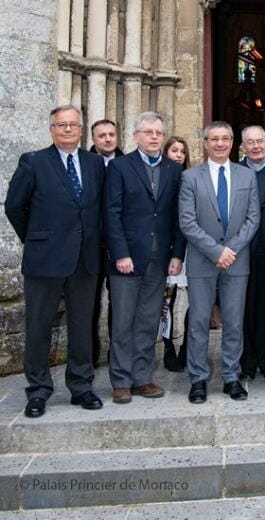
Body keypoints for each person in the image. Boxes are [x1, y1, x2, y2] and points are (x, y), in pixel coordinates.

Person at [5, 104, 105, 418]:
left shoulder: (94, 163)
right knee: (38, 327)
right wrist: (38, 238)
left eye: (73, 125)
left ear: (81, 130)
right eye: (61, 125)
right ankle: (38, 391)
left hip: (84, 260)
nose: (67, 129)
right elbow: (14, 207)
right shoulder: (34, 161)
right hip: (44, 260)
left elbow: (99, 208)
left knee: (81, 326)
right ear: (51, 129)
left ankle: (81, 386)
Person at [105, 112, 185, 404]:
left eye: (159, 133)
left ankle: (142, 377)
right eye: (148, 132)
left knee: (149, 320)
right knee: (123, 321)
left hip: (160, 258)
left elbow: (178, 217)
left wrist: (177, 254)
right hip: (127, 258)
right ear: (136, 135)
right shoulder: (120, 167)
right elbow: (111, 213)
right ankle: (121, 381)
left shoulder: (174, 170)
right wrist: (120, 253)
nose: (154, 137)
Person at [179, 121, 260, 402]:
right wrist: (216, 251)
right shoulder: (190, 178)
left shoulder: (246, 175)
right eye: (214, 139)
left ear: (232, 142)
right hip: (202, 261)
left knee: (234, 322)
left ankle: (231, 377)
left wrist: (231, 249)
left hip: (237, 261)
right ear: (205, 143)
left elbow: (253, 219)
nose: (220, 144)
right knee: (200, 321)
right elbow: (187, 222)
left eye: (225, 138)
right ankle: (198, 379)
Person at [239, 124, 265, 380]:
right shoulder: (235, 171)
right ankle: (246, 361)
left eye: (260, 142)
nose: (255, 146)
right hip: (242, 250)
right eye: (250, 142)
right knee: (243, 309)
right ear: (243, 146)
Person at [89, 118, 123, 367]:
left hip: (121, 246)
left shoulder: (127, 164)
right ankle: (89, 352)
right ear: (93, 139)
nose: (108, 139)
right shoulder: (82, 163)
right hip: (91, 245)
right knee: (88, 301)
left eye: (111, 134)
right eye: (102, 135)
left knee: (119, 302)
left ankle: (117, 352)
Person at [161, 136, 191, 373]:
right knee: (166, 302)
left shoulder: (190, 179)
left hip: (190, 247)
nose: (179, 155)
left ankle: (187, 350)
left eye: (182, 151)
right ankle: (168, 347)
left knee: (195, 301)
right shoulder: (160, 180)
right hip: (167, 248)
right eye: (174, 150)